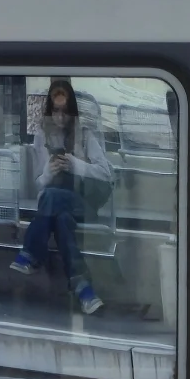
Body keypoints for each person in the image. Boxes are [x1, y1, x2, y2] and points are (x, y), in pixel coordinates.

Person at [11, 77, 112, 315]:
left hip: (83, 203)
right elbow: (39, 184)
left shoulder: (85, 136)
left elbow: (106, 174)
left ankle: (32, 254)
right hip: (58, 208)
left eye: (65, 111)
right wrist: (49, 172)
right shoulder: (41, 137)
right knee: (62, 221)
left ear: (72, 112)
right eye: (55, 111)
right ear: (49, 111)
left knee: (52, 198)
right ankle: (84, 290)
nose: (60, 117)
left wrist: (75, 164)